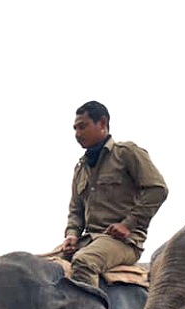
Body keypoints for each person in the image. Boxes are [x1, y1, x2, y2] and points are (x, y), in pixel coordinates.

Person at [62, 100, 168, 286]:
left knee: (84, 262)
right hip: (87, 240)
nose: (77, 134)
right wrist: (71, 234)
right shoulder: (81, 168)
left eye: (83, 127)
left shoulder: (126, 153)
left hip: (123, 241)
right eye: (75, 129)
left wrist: (128, 224)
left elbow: (157, 189)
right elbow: (76, 210)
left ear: (102, 123)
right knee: (41, 267)